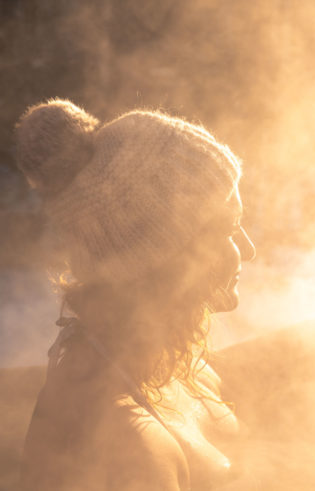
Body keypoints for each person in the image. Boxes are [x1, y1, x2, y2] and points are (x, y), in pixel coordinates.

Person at [17, 100, 255, 489]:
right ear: (165, 261)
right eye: (228, 230)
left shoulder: (175, 366)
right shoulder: (122, 441)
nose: (248, 250)